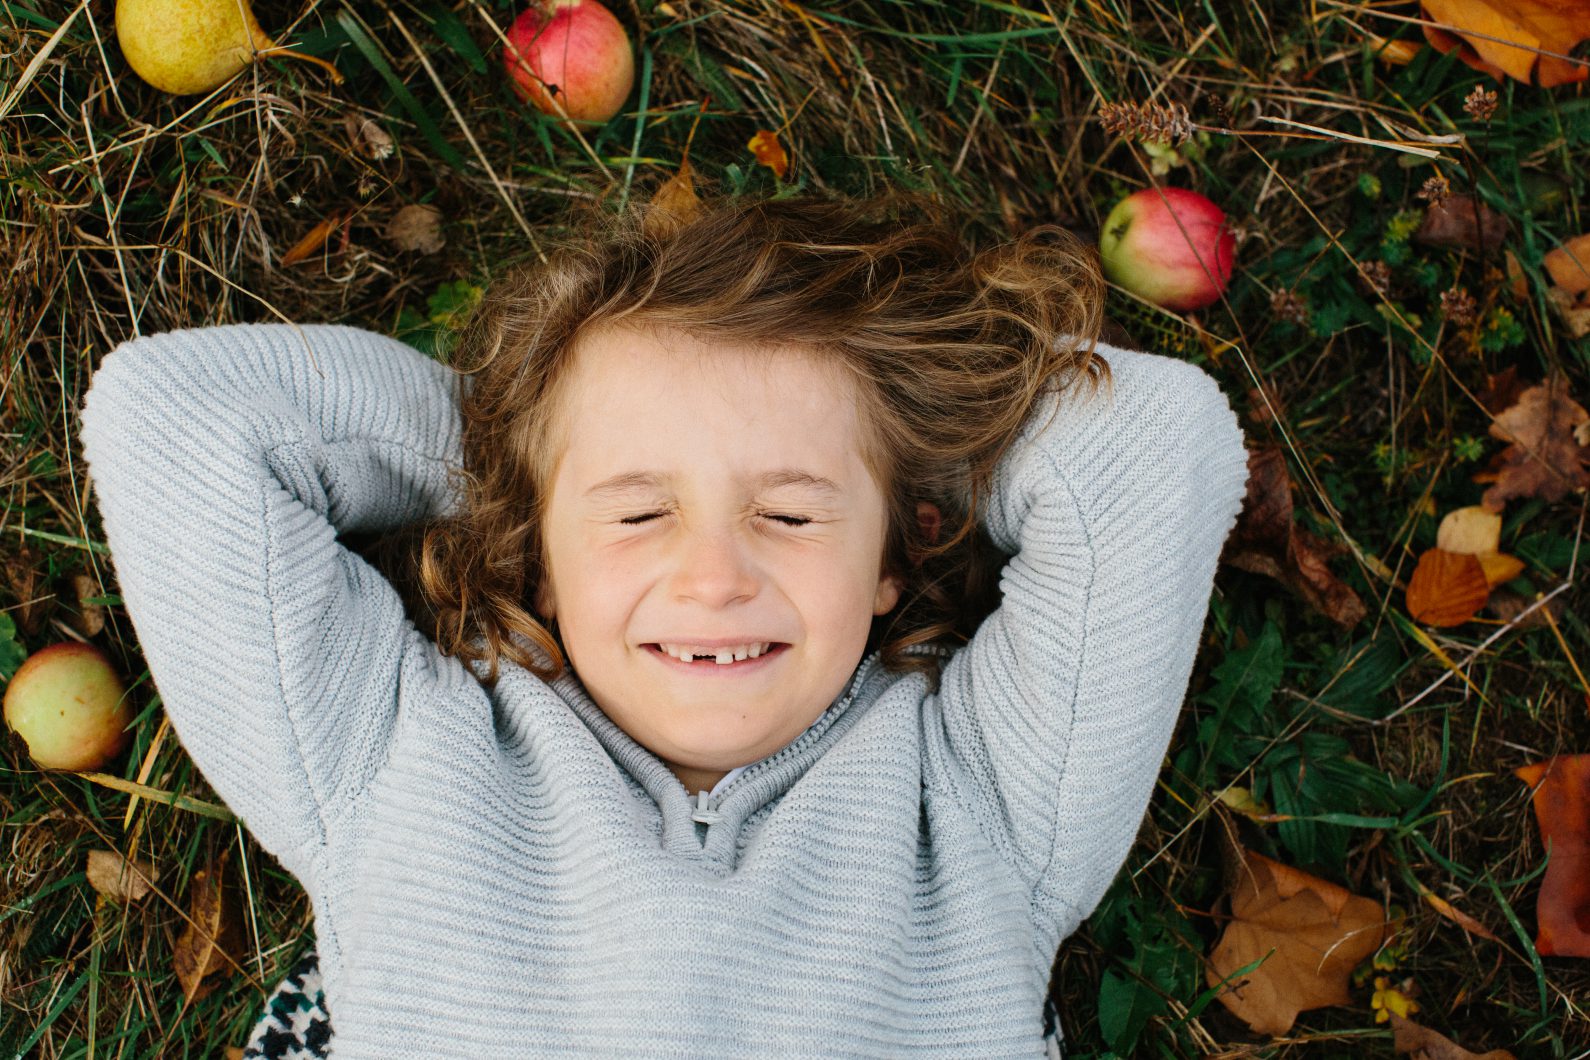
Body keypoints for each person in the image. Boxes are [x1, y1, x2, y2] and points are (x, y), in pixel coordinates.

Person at [77, 189, 1251, 1058]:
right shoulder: (400, 758)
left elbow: (1154, 449)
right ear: (541, 559)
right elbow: (172, 419)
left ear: (895, 559)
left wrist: (918, 446)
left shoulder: (983, 798)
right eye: (637, 513)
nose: (713, 575)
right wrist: (512, 463)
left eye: (790, 513)